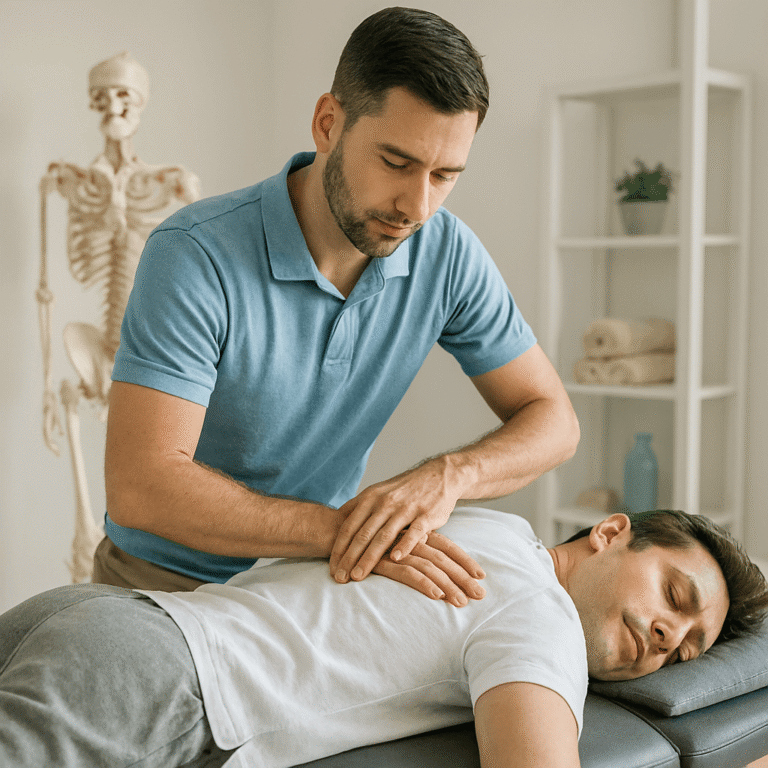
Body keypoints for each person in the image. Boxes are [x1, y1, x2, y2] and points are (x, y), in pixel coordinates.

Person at [95, 6, 580, 599]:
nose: (417, 206)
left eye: (445, 175)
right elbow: (142, 486)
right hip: (162, 588)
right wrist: (353, 532)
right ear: (328, 123)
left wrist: (447, 477)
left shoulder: (446, 252)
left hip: (314, 585)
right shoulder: (195, 254)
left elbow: (554, 420)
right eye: (396, 163)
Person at [2, 509, 766, 768]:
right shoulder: (542, 621)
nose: (668, 635)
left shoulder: (491, 527)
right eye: (674, 595)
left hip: (97, 617)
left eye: (685, 650)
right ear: (610, 533)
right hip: (157, 682)